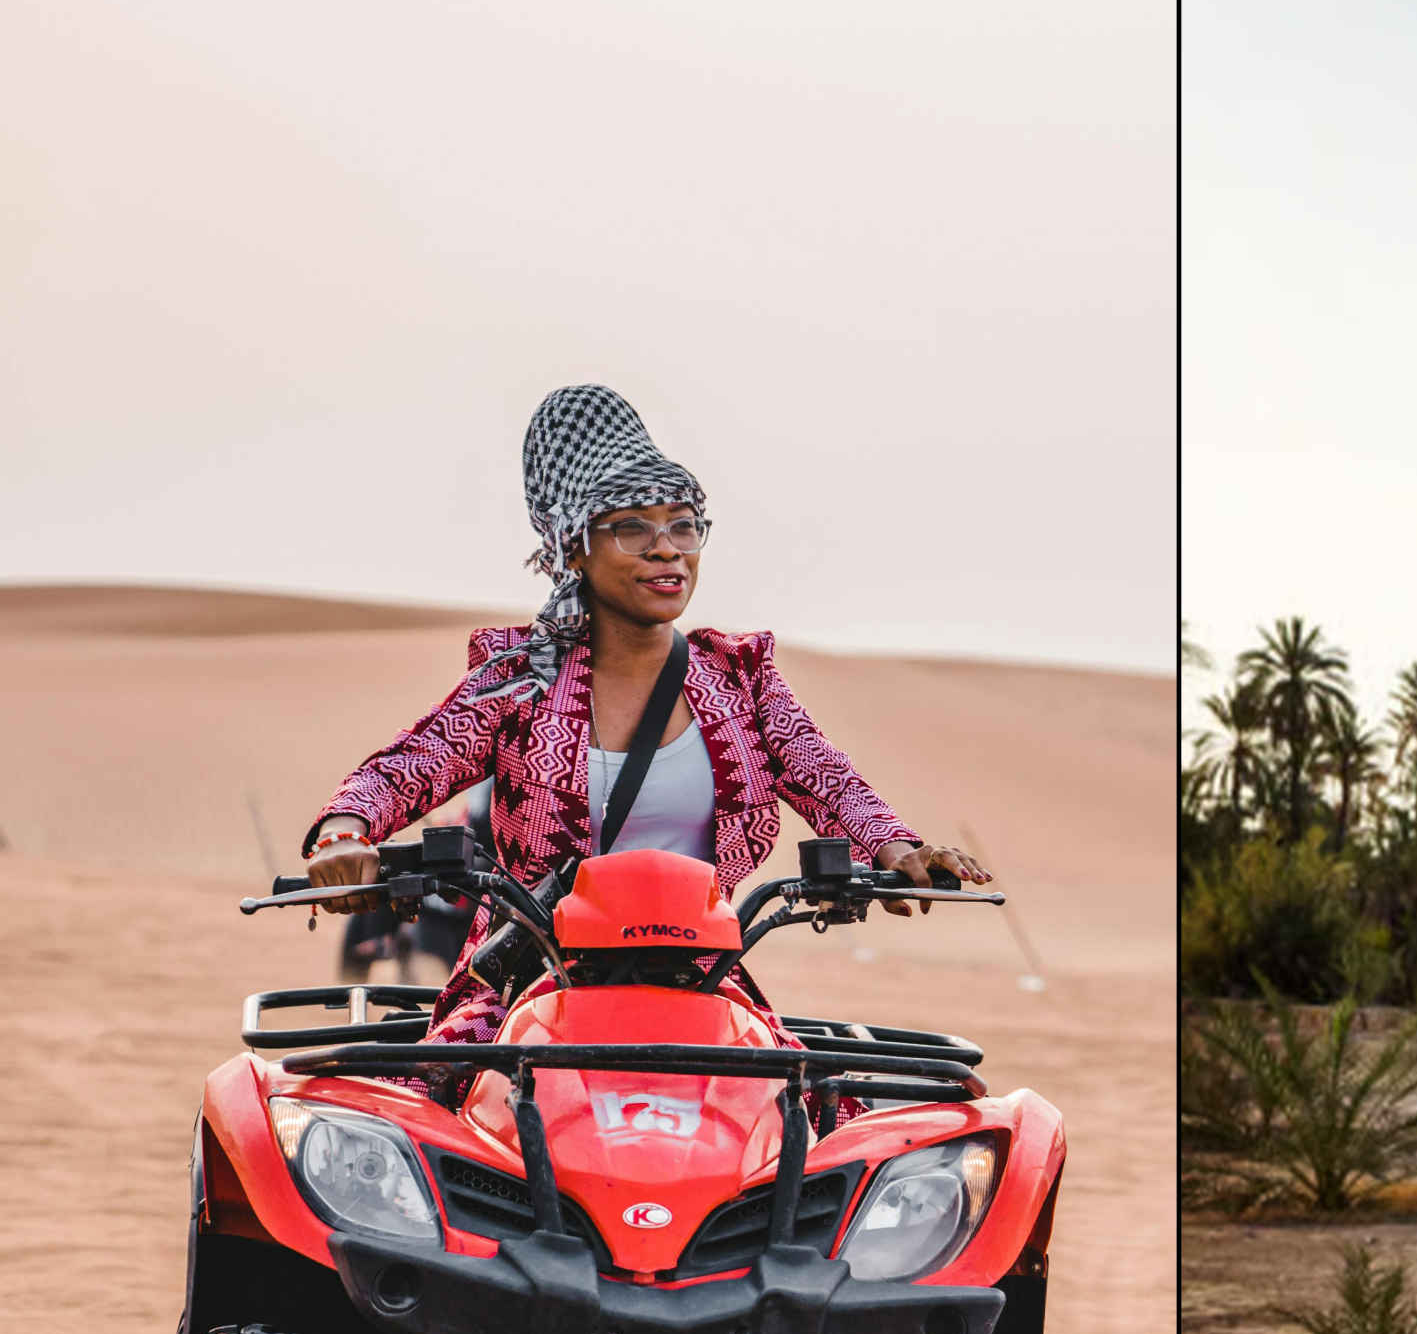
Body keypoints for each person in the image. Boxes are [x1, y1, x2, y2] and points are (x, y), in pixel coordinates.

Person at [304, 384, 990, 1045]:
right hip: (533, 985)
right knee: (443, 1102)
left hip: (701, 983)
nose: (667, 548)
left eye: (683, 525)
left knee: (801, 1107)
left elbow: (829, 780)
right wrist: (343, 835)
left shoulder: (740, 679)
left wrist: (896, 848)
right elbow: (406, 767)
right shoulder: (518, 679)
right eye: (632, 527)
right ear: (575, 546)